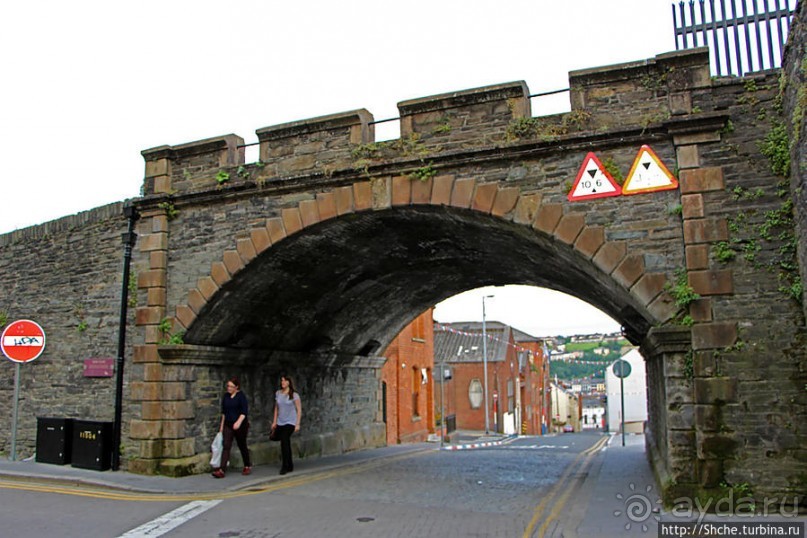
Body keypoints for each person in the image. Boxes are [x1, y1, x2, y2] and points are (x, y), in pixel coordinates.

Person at [212, 376, 252, 478]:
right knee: (226, 445)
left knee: (242, 445)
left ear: (236, 387)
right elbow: (224, 413)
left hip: (240, 425)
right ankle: (222, 470)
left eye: (231, 386)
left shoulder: (241, 397)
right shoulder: (226, 396)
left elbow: (244, 412)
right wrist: (221, 427)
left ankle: (247, 465)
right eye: (228, 386)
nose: (229, 388)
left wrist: (238, 422)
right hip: (228, 424)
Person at [272, 373, 301, 475]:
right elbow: (276, 408)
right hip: (280, 421)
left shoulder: (294, 395)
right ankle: (290, 464)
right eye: (282, 380)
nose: (283, 382)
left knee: (284, 441)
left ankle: (285, 466)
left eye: (285, 380)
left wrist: (297, 423)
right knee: (285, 442)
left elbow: (299, 409)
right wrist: (274, 421)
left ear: (289, 382)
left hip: (290, 422)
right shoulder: (278, 393)